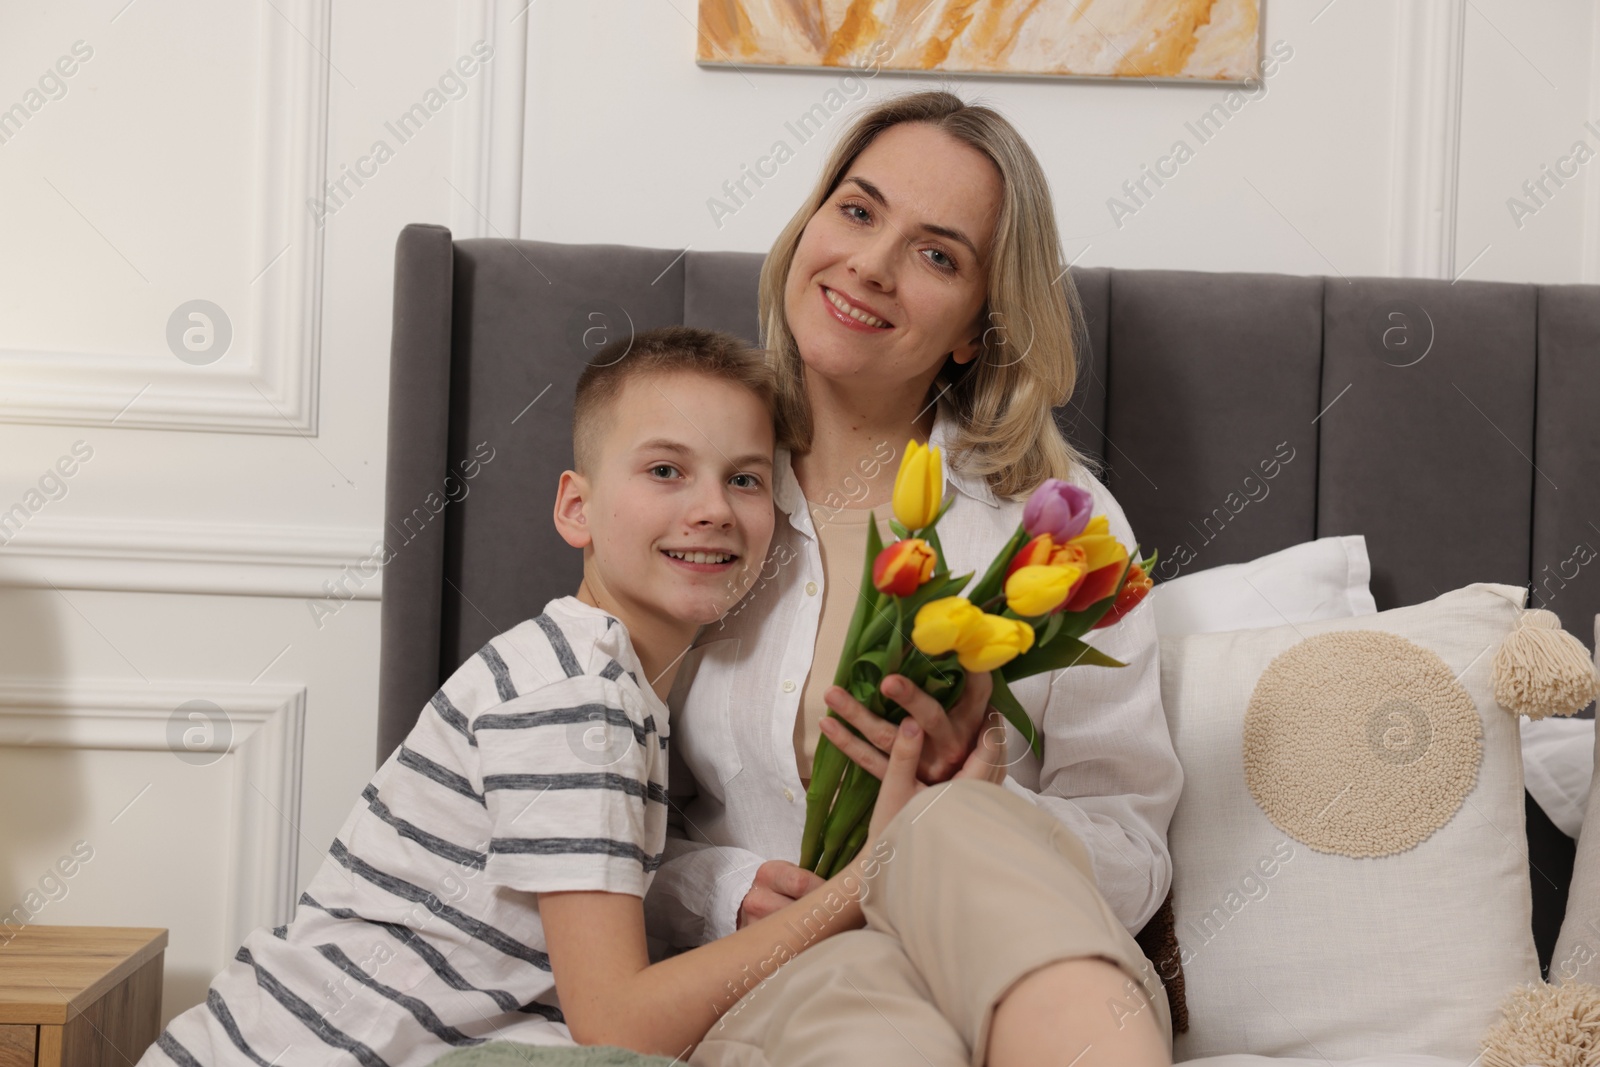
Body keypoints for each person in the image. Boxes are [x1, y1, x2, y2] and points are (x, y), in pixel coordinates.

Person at [136, 327, 1000, 1067]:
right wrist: (864, 879)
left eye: (745, 479)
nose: (713, 508)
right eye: (667, 469)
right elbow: (618, 1023)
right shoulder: (578, 699)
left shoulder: (599, 680)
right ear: (576, 509)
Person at [647, 90, 1183, 1066]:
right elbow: (592, 826)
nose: (870, 264)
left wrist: (983, 802)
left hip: (1027, 959)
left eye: (937, 254)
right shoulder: (690, 504)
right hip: (797, 971)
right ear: (809, 224)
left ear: (979, 324)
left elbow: (1135, 849)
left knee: (947, 822)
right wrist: (720, 887)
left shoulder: (1058, 524)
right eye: (857, 210)